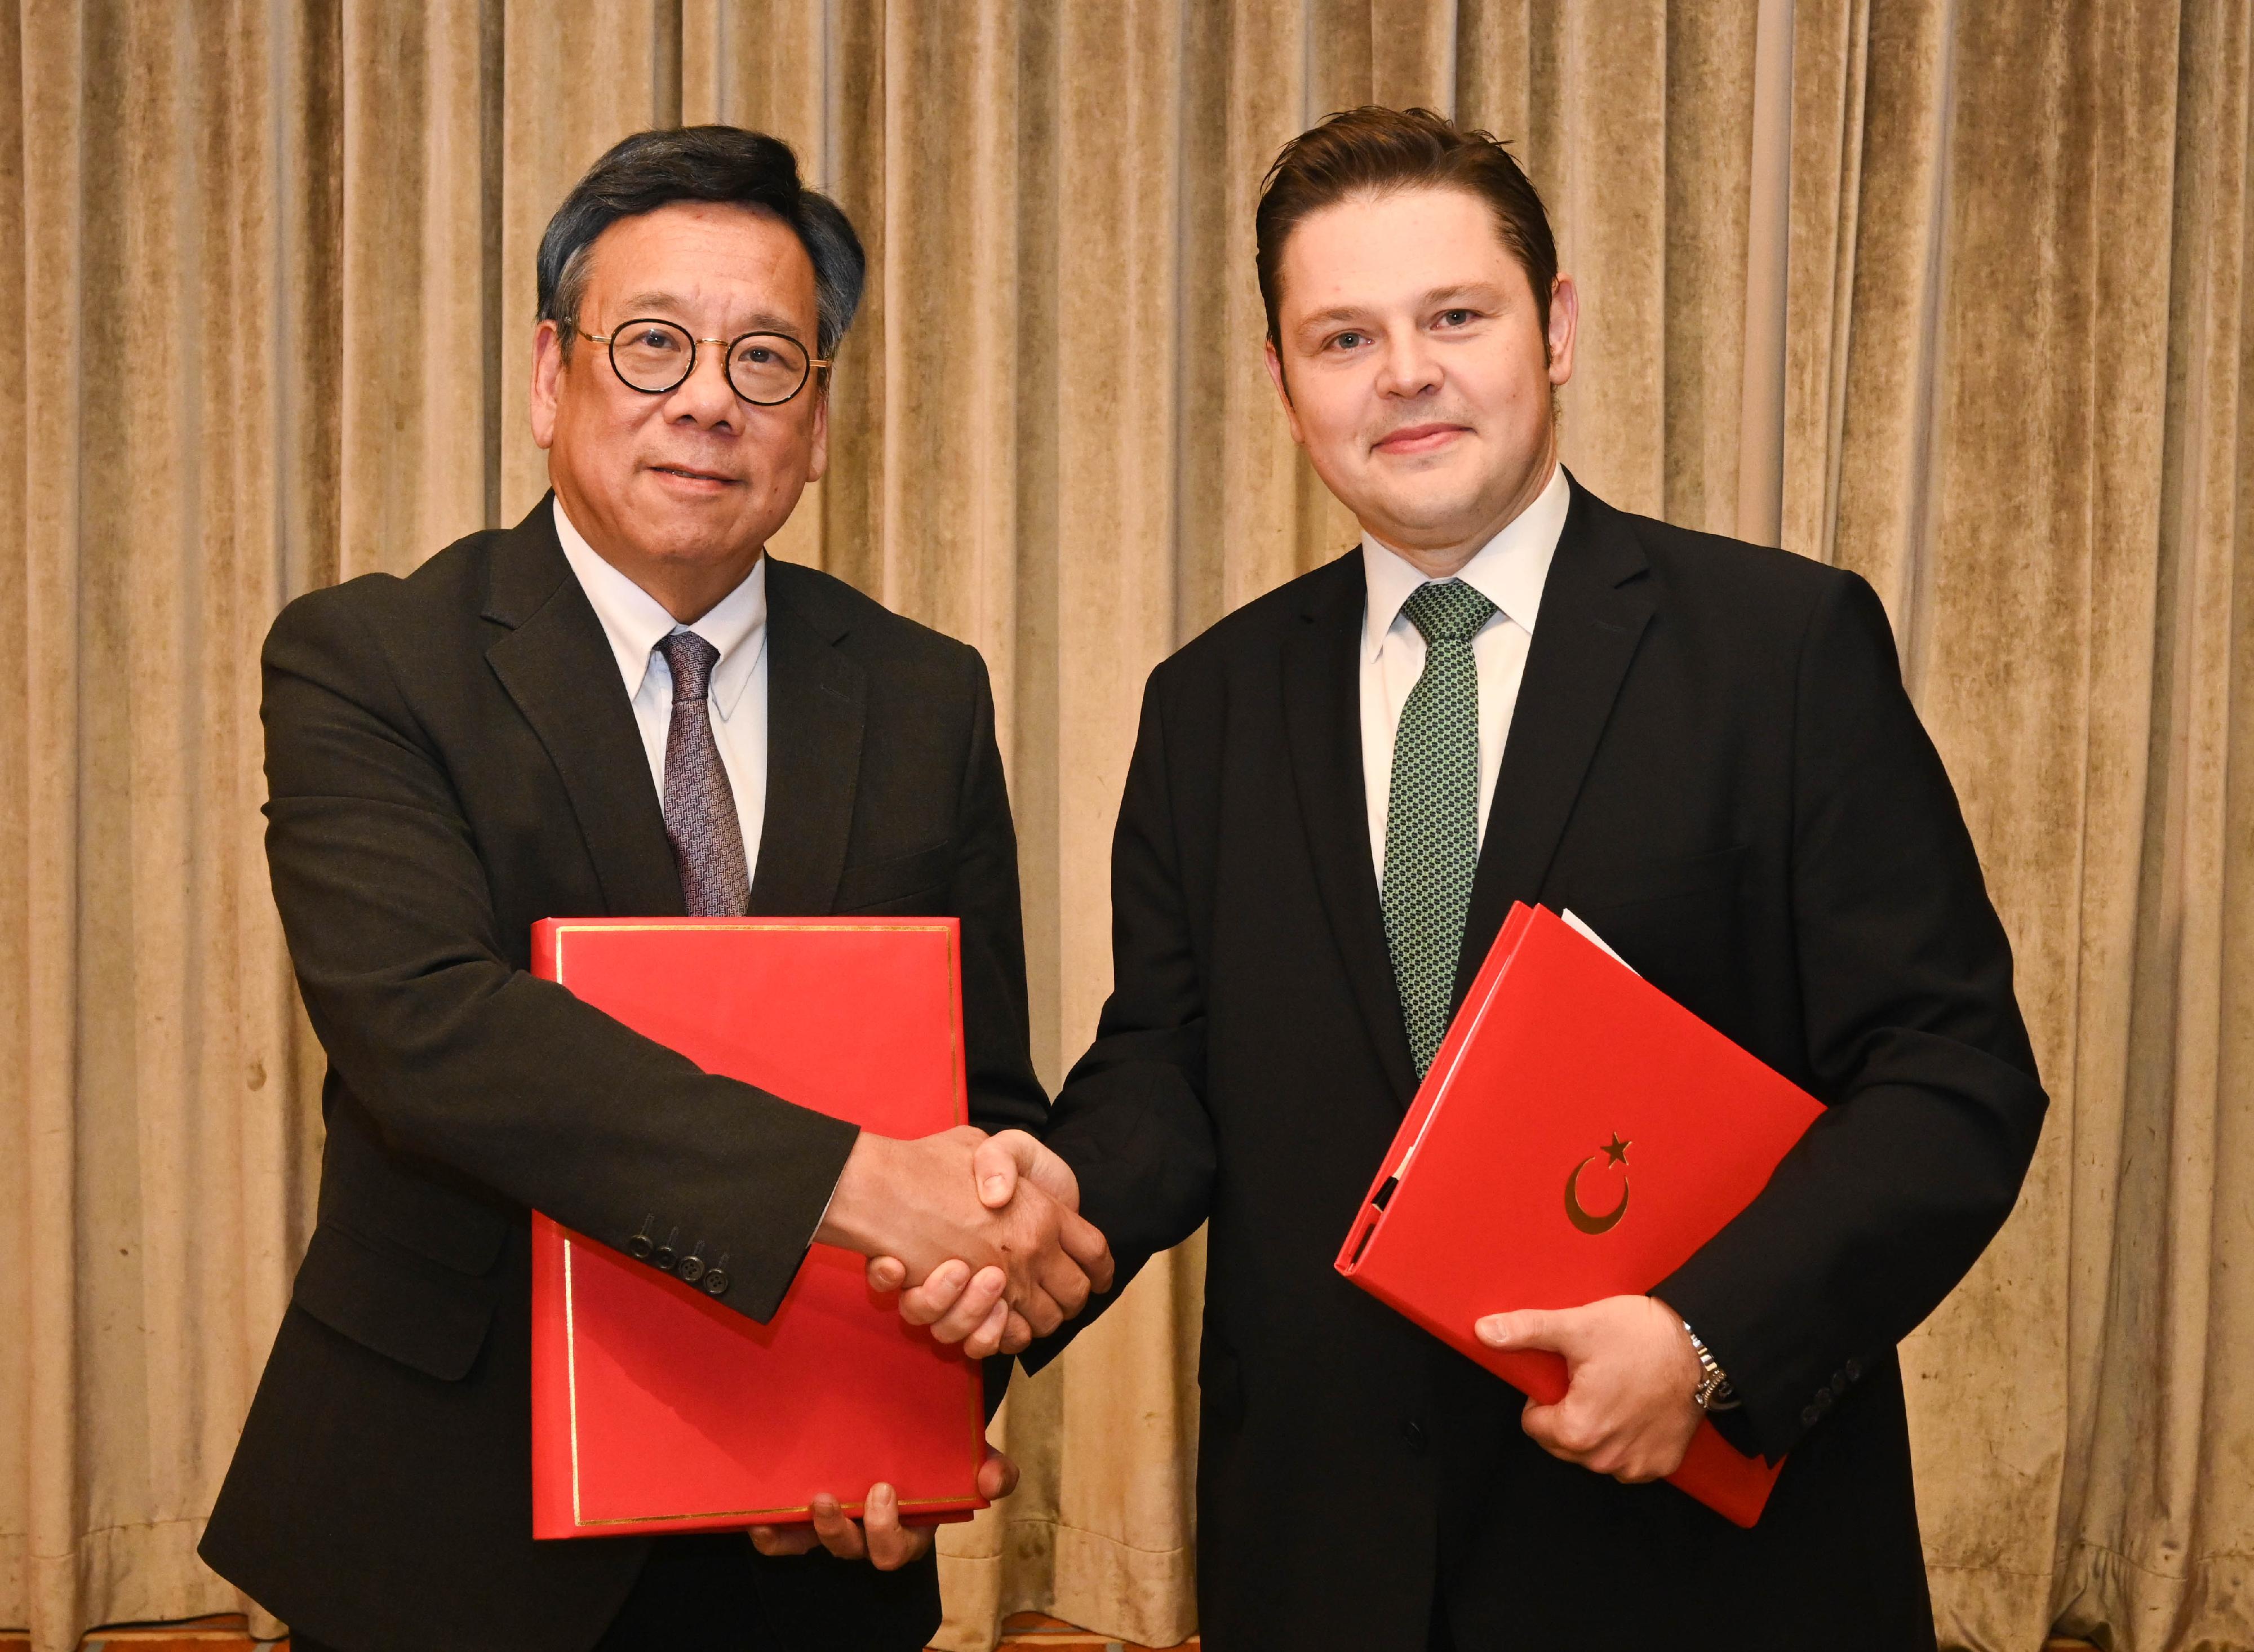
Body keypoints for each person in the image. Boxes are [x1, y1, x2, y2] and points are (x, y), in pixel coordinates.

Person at [896, 106, 2047, 1651]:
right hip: (1323, 1562)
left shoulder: (1779, 651)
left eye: (1455, 315)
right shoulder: (1210, 701)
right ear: (1284, 381)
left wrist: (1707, 1339)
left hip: (1692, 1565)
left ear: (1554, 327)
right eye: (1345, 336)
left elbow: (1953, 1074)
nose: (1407, 373)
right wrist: (1055, 1208)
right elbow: (1167, 1077)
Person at [198, 126, 1110, 1652]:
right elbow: (432, 1034)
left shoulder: (922, 692)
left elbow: (980, 1101)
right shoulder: (372, 659)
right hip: (448, 1526)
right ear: (552, 378)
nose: (707, 397)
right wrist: (855, 1181)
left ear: (817, 427)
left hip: (810, 1537)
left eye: (768, 360)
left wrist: (933, 1380)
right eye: (655, 345)